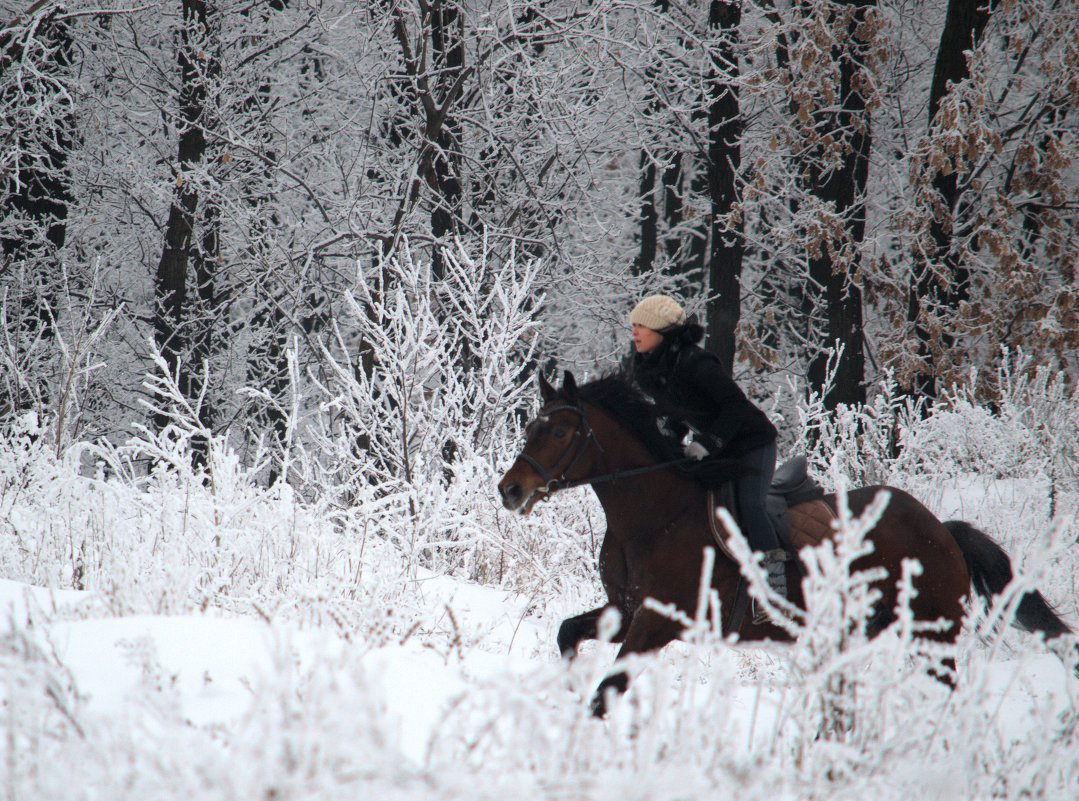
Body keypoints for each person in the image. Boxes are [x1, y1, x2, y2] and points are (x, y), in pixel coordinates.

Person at [627, 294, 788, 605]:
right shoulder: (652, 369)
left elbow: (736, 408)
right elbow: (677, 416)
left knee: (750, 507)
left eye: (641, 325)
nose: (634, 332)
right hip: (719, 448)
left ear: (660, 331)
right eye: (633, 325)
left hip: (752, 442)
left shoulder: (695, 362)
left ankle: (777, 589)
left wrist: (707, 443)